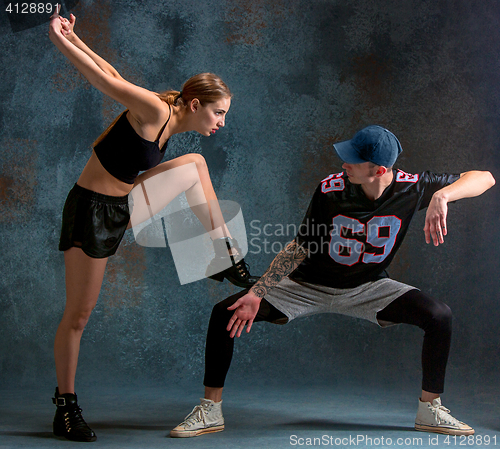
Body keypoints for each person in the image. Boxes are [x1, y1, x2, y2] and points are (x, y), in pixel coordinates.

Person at [171, 125, 495, 438]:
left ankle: (430, 408)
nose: (344, 164)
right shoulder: (332, 189)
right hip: (307, 285)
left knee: (439, 316)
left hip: (368, 288)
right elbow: (299, 247)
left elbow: (485, 177)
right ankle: (210, 409)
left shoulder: (412, 187)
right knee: (225, 311)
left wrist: (442, 196)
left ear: (379, 170)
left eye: (353, 160)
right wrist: (258, 292)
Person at [48, 6, 258, 442]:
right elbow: (104, 81)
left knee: (195, 163)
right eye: (218, 113)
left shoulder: (169, 116)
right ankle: (65, 408)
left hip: (124, 203)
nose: (221, 123)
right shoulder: (154, 110)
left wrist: (77, 36)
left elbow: (112, 68)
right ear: (195, 104)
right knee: (78, 315)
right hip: (90, 211)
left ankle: (225, 259)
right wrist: (59, 39)